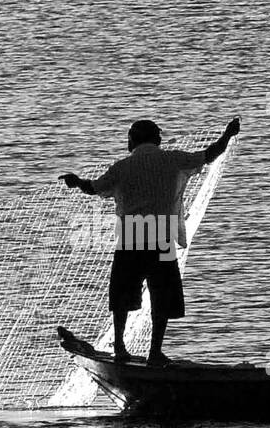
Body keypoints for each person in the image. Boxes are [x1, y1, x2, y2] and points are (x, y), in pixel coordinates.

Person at [59, 116, 241, 366]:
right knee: (162, 296)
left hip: (131, 237)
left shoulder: (122, 167)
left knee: (122, 295)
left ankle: (120, 348)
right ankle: (155, 352)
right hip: (161, 236)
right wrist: (228, 134)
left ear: (132, 141)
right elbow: (210, 154)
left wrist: (76, 181)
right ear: (157, 139)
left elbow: (94, 187)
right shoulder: (173, 160)